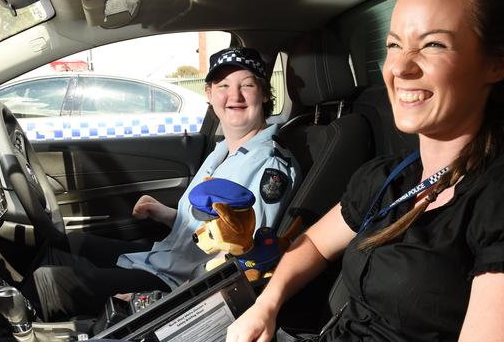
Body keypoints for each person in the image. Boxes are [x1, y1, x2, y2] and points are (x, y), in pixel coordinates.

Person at [21, 0, 504, 342]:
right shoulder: (388, 177)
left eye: (434, 45)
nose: (402, 68)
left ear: (497, 62)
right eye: (394, 45)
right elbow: (313, 245)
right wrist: (269, 303)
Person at [28, 47, 301, 321]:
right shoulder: (223, 151)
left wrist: (171, 300)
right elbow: (214, 224)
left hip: (177, 285)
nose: (235, 95)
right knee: (66, 245)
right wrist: (166, 214)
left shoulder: (270, 167)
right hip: (163, 258)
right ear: (209, 93)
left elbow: (248, 255)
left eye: (247, 85)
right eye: (224, 85)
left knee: (54, 285)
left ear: (264, 93)